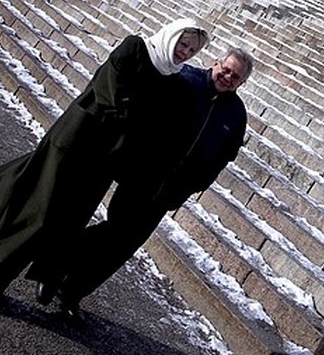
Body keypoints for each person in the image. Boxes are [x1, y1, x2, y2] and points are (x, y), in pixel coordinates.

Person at [0, 18, 209, 309]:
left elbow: (152, 123)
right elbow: (110, 94)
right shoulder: (135, 48)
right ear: (172, 35)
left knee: (59, 227)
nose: (185, 52)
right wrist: (137, 123)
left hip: (104, 162)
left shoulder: (173, 80)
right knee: (36, 212)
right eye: (183, 44)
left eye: (192, 50)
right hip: (75, 145)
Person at [37, 47, 254, 320]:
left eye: (236, 77)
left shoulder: (236, 114)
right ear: (216, 63)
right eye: (226, 69)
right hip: (142, 174)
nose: (228, 77)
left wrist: (195, 186)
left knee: (126, 245)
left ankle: (71, 291)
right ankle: (53, 265)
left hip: (171, 191)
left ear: (241, 83)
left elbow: (223, 157)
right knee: (116, 232)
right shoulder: (185, 79)